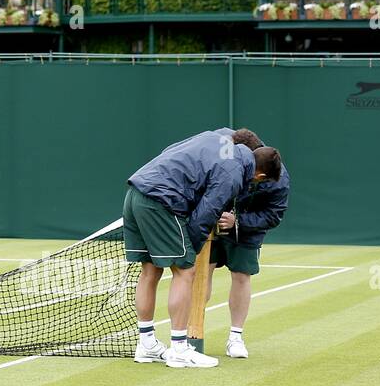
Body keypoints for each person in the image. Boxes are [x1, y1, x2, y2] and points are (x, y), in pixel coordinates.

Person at [124, 129, 283, 369]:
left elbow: (170, 150)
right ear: (259, 174)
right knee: (185, 271)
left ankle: (146, 344)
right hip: (162, 201)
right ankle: (179, 349)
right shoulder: (234, 173)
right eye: (259, 181)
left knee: (150, 270)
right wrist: (193, 249)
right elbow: (205, 214)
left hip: (135, 192)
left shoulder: (214, 137)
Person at [205, 128, 290, 360]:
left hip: (246, 233)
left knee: (241, 276)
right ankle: (191, 332)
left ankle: (235, 337)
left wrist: (237, 221)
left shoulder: (277, 177)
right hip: (211, 224)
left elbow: (273, 216)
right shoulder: (225, 151)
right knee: (201, 273)